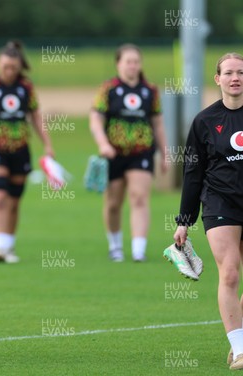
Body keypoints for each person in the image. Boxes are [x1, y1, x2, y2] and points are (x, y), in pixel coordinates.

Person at [170, 52, 243, 370]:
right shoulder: (203, 122)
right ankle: (240, 350)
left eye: (241, 72)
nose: (235, 78)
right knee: (229, 271)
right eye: (229, 73)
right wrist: (184, 221)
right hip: (219, 203)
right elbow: (192, 173)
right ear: (218, 79)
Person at [0, 40, 54, 263]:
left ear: (19, 67)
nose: (9, 71)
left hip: (20, 149)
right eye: (5, 67)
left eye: (13, 68)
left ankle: (9, 245)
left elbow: (36, 117)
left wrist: (48, 144)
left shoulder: (26, 88)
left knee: (14, 201)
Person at [89, 43, 168, 262]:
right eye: (128, 62)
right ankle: (115, 246)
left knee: (139, 197)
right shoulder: (108, 89)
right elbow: (96, 119)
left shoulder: (149, 90)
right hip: (113, 154)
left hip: (141, 152)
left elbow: (158, 124)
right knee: (113, 203)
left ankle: (138, 249)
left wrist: (165, 153)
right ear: (118, 64)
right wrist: (103, 143)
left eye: (136, 62)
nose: (132, 66)